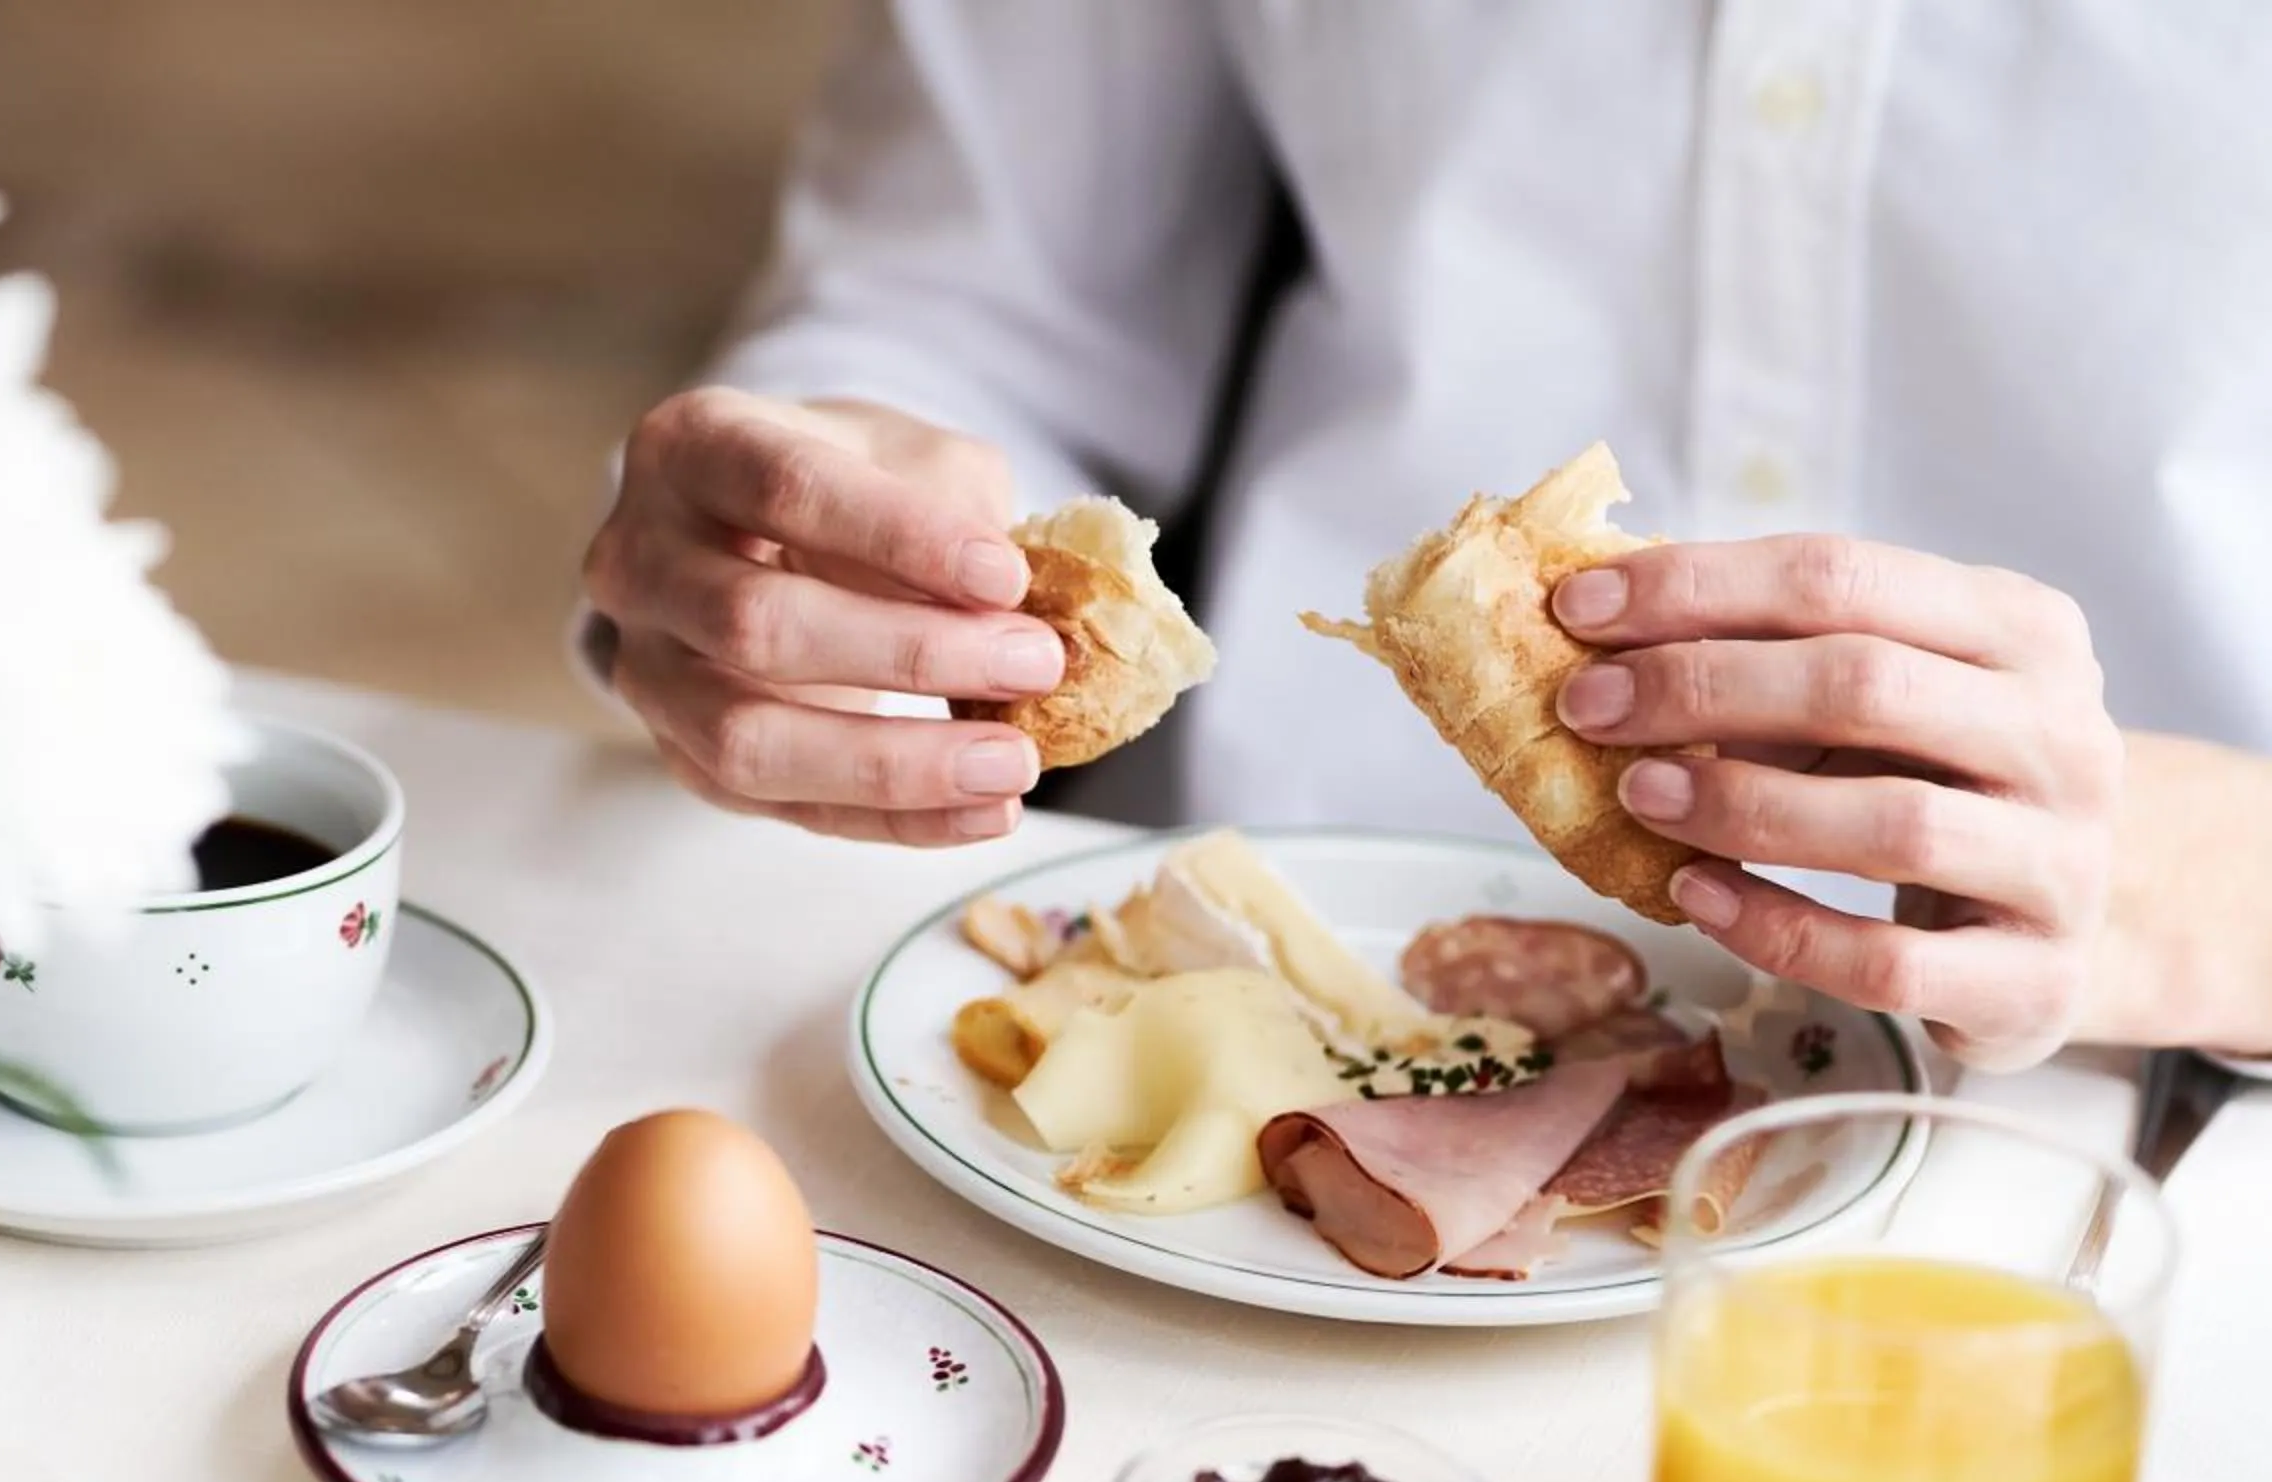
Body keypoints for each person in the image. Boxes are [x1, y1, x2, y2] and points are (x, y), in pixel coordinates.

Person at [579, 1, 2272, 1074]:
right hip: (1248, 1004)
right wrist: (821, 546)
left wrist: (2204, 898)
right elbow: (968, 302)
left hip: (2134, 1126)